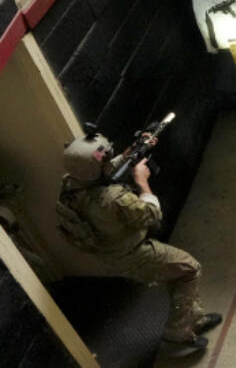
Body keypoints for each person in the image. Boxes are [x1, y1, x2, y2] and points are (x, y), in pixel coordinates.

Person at [57, 130, 221, 355]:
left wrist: (131, 152)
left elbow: (102, 170)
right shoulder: (113, 199)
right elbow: (152, 215)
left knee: (174, 273)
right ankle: (178, 332)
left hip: (110, 253)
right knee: (189, 269)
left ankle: (193, 317)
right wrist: (142, 182)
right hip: (134, 255)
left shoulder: (71, 184)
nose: (108, 159)